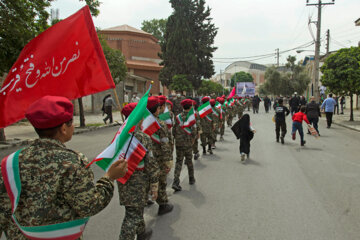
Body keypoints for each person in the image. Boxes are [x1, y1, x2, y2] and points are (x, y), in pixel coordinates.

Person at [0, 96, 128, 239]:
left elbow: (3, 210)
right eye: (71, 122)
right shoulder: (72, 162)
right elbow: (90, 205)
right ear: (63, 128)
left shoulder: (9, 163)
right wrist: (109, 177)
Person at [118, 103, 159, 240]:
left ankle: (142, 232)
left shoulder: (119, 136)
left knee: (134, 209)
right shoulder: (142, 138)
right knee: (132, 216)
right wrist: (154, 184)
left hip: (123, 181)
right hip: (138, 183)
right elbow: (150, 164)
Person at [149, 96, 174, 216]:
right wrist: (168, 161)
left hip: (146, 157)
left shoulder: (142, 122)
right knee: (161, 180)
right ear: (157, 109)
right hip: (157, 157)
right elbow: (165, 144)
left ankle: (147, 199)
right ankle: (163, 204)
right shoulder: (159, 124)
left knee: (148, 179)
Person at [172, 99, 197, 192]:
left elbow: (174, 130)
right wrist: (193, 140)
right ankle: (191, 178)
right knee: (189, 160)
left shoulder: (177, 117)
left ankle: (176, 181)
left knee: (179, 161)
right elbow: (194, 130)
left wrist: (175, 138)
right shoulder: (192, 116)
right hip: (188, 143)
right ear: (190, 107)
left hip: (179, 143)